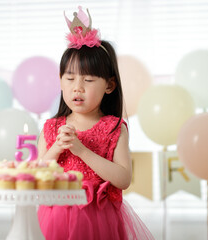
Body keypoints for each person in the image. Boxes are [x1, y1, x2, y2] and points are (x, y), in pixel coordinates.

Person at [37, 6, 155, 240]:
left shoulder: (113, 127)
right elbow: (37, 173)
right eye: (69, 78)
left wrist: (80, 150)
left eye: (88, 79)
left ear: (109, 86)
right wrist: (57, 148)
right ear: (61, 82)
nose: (77, 87)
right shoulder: (51, 127)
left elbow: (122, 179)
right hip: (56, 220)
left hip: (99, 221)